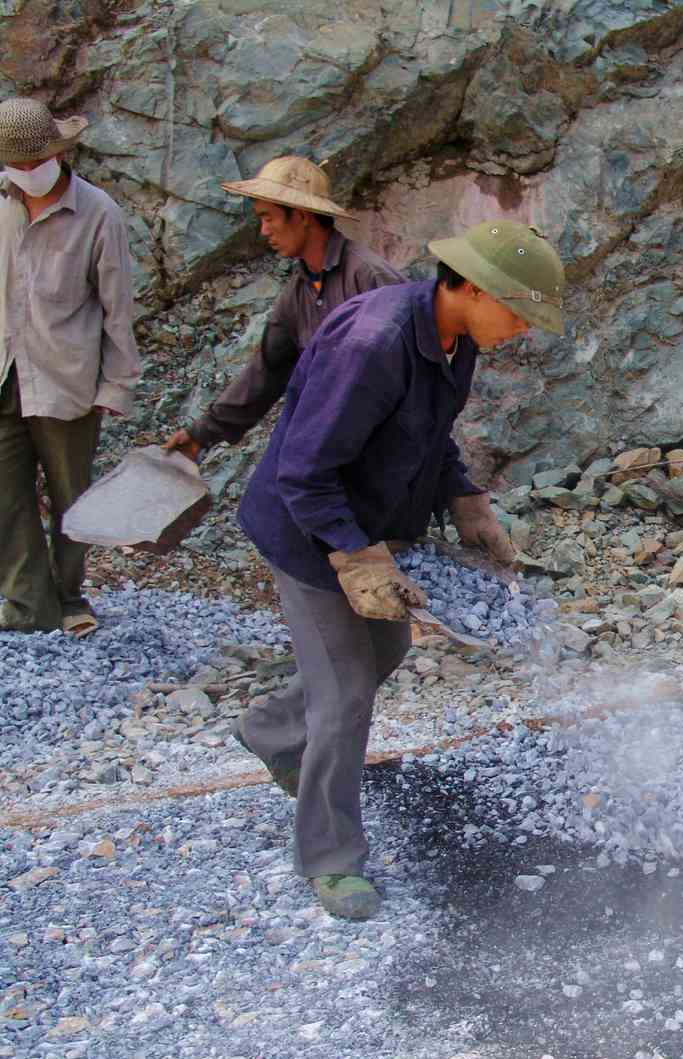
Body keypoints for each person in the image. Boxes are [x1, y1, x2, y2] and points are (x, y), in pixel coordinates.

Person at [236, 219, 564, 919]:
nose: (524, 328)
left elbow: (428, 434)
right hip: (309, 533)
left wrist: (465, 497)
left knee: (387, 643)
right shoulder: (374, 344)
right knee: (346, 692)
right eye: (519, 311)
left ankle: (268, 729)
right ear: (471, 287)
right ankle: (330, 856)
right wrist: (358, 557)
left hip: (368, 522)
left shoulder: (456, 340)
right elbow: (304, 470)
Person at [0, 97, 140, 638]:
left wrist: (116, 384)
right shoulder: (3, 205)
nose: (26, 175)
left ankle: (70, 595)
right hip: (5, 375)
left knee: (71, 498)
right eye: (17, 165)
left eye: (34, 164)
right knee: (6, 499)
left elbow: (117, 308)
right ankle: (27, 603)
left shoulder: (99, 213)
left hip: (67, 379)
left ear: (57, 155)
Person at [162, 156, 402, 461]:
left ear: (301, 216)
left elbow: (415, 371)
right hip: (336, 446)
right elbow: (266, 371)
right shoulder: (298, 293)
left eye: (268, 217)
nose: (263, 231)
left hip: (382, 450)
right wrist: (202, 433)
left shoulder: (369, 278)